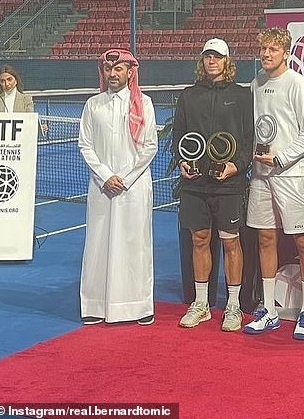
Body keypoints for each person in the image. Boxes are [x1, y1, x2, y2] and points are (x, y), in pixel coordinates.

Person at [172, 38, 253, 332]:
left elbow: (248, 139)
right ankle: (202, 303)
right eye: (207, 56)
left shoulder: (242, 96)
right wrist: (182, 160)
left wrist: (236, 165)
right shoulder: (188, 96)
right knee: (199, 240)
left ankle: (233, 305)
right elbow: (178, 136)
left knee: (231, 242)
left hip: (229, 183)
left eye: (217, 57)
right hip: (195, 184)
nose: (211, 61)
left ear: (227, 62)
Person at [243, 27, 304, 340]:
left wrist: (280, 158)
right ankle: (270, 311)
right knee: (265, 238)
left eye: (272, 49)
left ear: (285, 52)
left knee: (302, 241)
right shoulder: (256, 83)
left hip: (291, 173)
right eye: (262, 49)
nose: (266, 54)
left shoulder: (299, 84)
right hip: (261, 176)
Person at [78, 49, 158, 325]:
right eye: (108, 70)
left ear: (129, 72)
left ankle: (137, 307)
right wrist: (105, 176)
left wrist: (123, 177)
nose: (112, 74)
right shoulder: (93, 105)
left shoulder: (143, 104)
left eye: (118, 69)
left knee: (134, 244)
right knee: (98, 244)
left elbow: (150, 146)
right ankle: (94, 305)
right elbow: (85, 145)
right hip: (101, 188)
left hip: (133, 189)